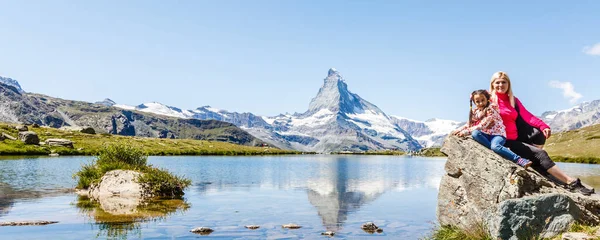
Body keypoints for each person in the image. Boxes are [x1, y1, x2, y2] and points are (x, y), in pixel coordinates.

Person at [489, 71, 594, 195]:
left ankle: (537, 163)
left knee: (539, 133)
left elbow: (527, 116)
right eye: (498, 82)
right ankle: (570, 182)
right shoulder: (489, 100)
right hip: (504, 141)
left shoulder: (513, 100)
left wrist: (543, 126)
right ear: (492, 84)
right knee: (541, 154)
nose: (501, 85)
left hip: (516, 136)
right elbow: (477, 114)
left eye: (504, 82)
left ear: (508, 84)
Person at [453, 89, 532, 168]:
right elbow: (469, 124)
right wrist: (459, 130)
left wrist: (466, 132)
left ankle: (519, 159)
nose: (480, 103)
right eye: (477, 101)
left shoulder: (491, 109)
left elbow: (483, 124)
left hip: (497, 135)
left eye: (482, 100)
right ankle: (499, 150)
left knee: (495, 146)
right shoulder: (475, 112)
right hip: (486, 134)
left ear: (487, 98)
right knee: (475, 133)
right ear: (474, 102)